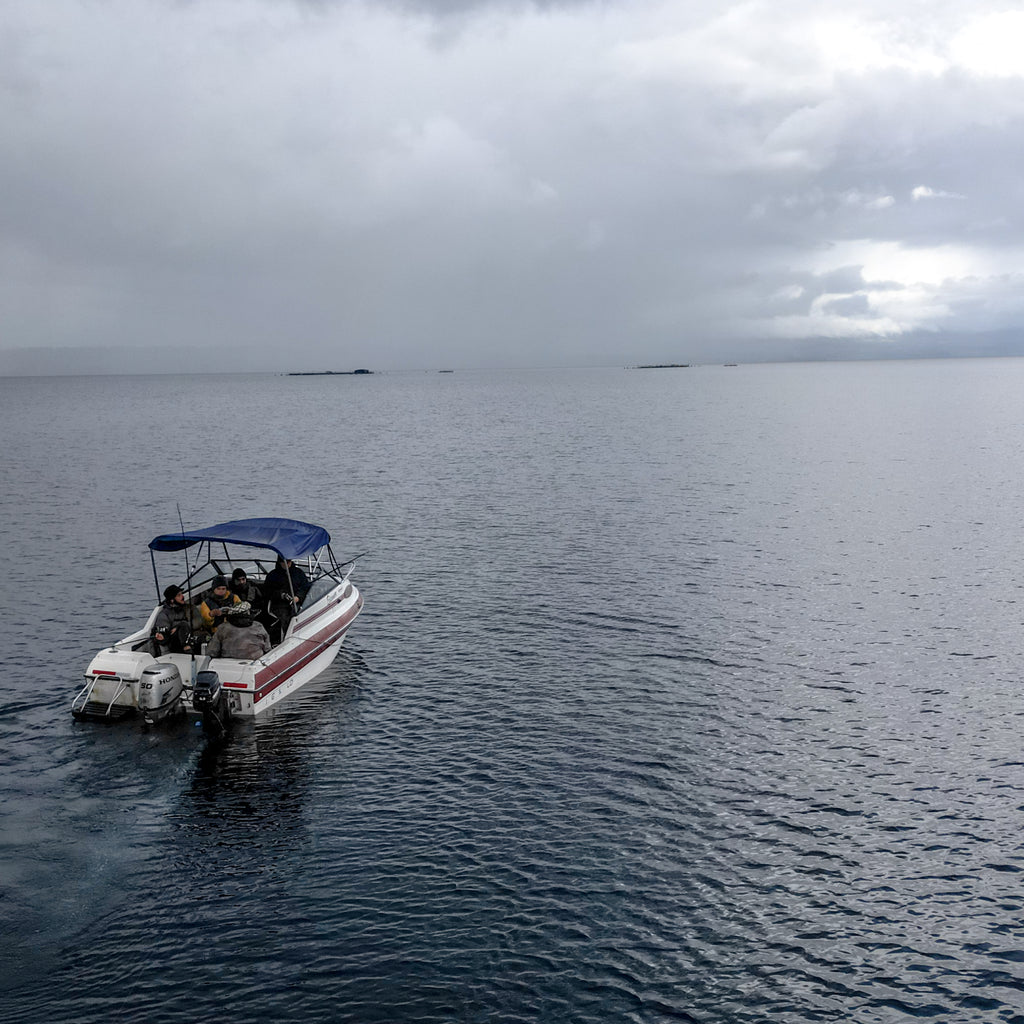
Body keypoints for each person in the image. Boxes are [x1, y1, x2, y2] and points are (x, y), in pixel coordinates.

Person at [264, 556, 310, 643]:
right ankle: (283, 640)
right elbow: (268, 592)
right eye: (284, 562)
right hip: (279, 604)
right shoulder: (272, 576)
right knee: (283, 619)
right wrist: (281, 595)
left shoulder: (299, 573)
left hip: (297, 603)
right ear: (279, 562)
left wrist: (298, 597)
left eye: (289, 561)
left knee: (299, 613)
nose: (287, 564)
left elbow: (305, 588)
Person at [206, 603, 271, 660]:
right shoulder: (258, 626)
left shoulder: (223, 627)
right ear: (248, 613)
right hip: (255, 663)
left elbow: (212, 651)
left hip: (227, 664)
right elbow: (267, 649)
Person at [152, 585, 200, 654]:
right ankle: (187, 650)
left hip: (191, 637)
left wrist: (179, 626)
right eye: (179, 595)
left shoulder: (189, 608)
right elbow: (163, 631)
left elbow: (198, 622)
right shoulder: (164, 614)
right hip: (175, 644)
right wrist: (161, 636)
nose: (182, 597)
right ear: (172, 600)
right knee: (183, 626)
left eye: (182, 594)